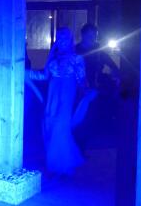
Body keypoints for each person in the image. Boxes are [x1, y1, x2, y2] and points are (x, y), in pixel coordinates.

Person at [28, 27, 86, 176]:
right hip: (53, 94)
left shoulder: (77, 58)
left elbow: (81, 80)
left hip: (67, 94)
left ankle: (62, 166)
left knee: (61, 127)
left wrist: (86, 96)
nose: (62, 41)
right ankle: (60, 164)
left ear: (70, 40)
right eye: (59, 38)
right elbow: (44, 76)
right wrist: (25, 73)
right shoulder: (53, 59)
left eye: (65, 38)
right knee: (49, 124)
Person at [75, 23, 119, 89]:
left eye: (94, 36)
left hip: (97, 87)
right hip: (78, 87)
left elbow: (113, 66)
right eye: (89, 35)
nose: (92, 39)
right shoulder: (74, 51)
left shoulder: (99, 52)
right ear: (83, 35)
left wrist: (116, 78)